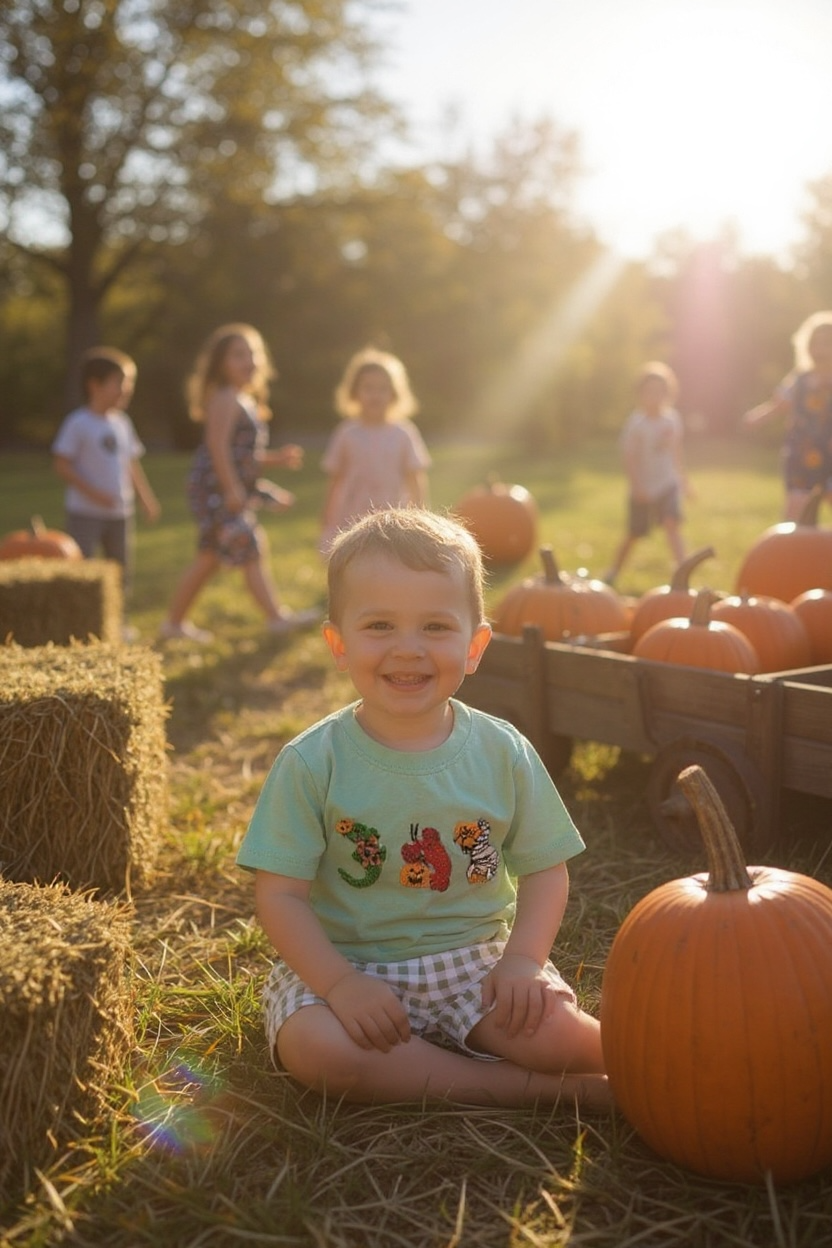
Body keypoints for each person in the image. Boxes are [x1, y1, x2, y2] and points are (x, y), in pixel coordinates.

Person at [236, 508, 609, 1109]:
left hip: (476, 964)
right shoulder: (312, 762)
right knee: (319, 1050)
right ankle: (526, 1093)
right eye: (379, 625)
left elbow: (545, 870)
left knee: (566, 1039)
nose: (407, 650)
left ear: (475, 645)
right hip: (348, 965)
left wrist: (521, 965)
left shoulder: (502, 750)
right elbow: (279, 895)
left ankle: (656, 1065)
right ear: (338, 643)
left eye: (436, 627)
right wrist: (340, 984)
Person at [158, 323, 319, 642]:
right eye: (238, 355)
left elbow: (243, 454)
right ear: (221, 364)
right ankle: (276, 618)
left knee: (209, 557)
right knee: (249, 545)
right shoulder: (226, 398)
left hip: (226, 488)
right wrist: (231, 489)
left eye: (253, 354)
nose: (249, 361)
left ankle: (173, 624)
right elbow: (217, 447)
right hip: (216, 490)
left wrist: (276, 459)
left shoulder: (245, 400)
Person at [52, 346, 161, 638]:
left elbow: (131, 465)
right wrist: (94, 493)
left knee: (119, 570)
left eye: (128, 383)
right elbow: (62, 465)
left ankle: (117, 624)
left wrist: (146, 499)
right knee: (84, 570)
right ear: (95, 385)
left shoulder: (123, 423)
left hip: (119, 513)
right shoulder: (79, 423)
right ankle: (83, 624)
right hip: (85, 512)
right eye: (120, 382)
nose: (127, 389)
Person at [319, 347, 431, 555]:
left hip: (392, 516)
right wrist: (328, 514)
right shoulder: (347, 433)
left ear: (394, 393)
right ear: (355, 392)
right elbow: (335, 479)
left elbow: (415, 478)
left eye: (382, 389)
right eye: (368, 388)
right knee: (355, 560)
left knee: (390, 560)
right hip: (352, 515)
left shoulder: (403, 433)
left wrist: (421, 515)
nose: (375, 395)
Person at [602, 361, 690, 587]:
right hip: (642, 489)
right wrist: (637, 486)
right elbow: (629, 458)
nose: (655, 396)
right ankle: (614, 570)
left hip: (667, 484)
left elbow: (676, 452)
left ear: (669, 393)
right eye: (649, 391)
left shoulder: (672, 419)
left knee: (672, 524)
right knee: (634, 533)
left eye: (660, 391)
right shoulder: (636, 423)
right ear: (640, 394)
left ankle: (683, 573)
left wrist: (683, 481)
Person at [743, 311, 832, 520]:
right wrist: (759, 417)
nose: (820, 349)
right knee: (797, 508)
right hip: (801, 454)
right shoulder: (799, 380)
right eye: (815, 343)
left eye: (827, 343)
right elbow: (779, 405)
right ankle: (795, 550)